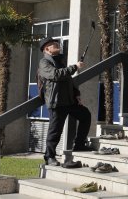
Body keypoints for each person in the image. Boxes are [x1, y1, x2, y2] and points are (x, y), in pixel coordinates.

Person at [38, 37, 92, 166]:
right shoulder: (44, 62)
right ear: (47, 49)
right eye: (53, 44)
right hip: (56, 102)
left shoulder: (59, 60)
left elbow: (68, 80)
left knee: (85, 115)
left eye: (56, 43)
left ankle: (79, 145)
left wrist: (76, 94)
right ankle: (49, 157)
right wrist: (74, 67)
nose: (57, 44)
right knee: (55, 131)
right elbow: (55, 75)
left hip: (69, 101)